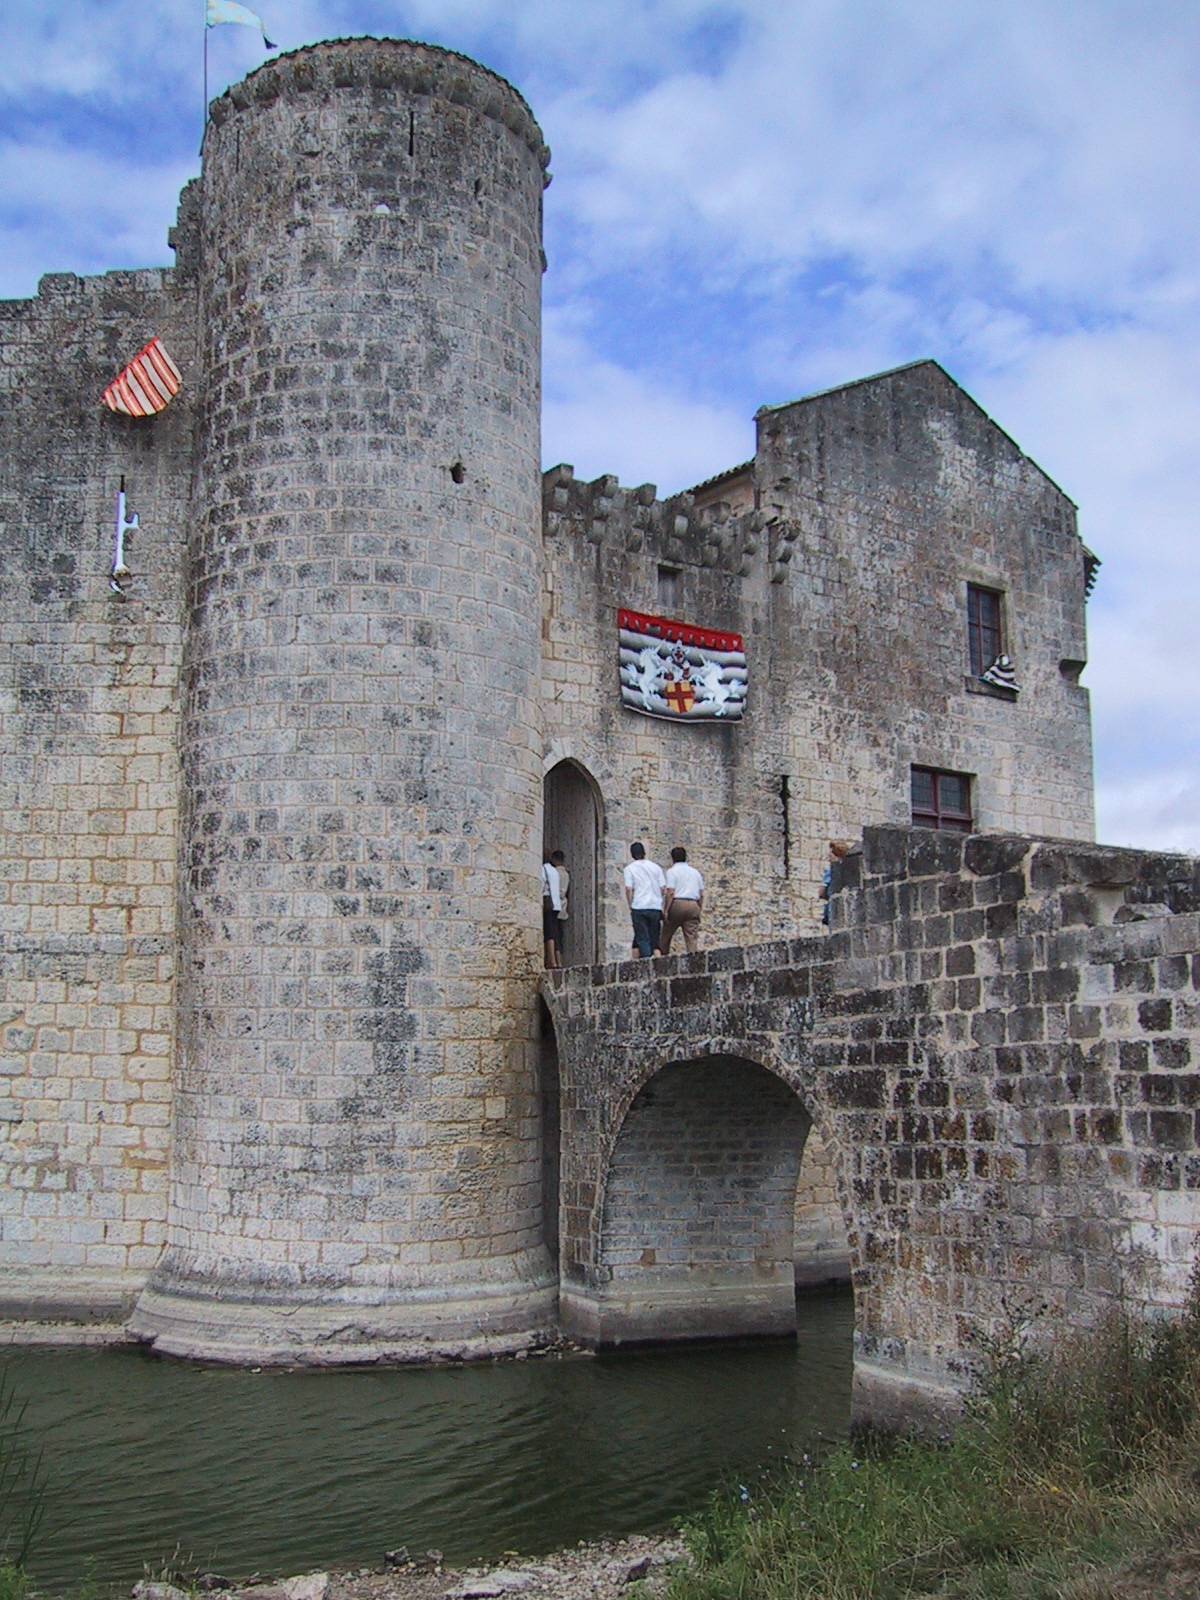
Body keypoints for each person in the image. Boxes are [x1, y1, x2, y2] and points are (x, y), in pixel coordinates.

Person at [623, 841, 666, 958]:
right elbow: (663, 889)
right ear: (644, 853)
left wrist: (630, 904)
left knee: (643, 939)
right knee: (654, 939)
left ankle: (647, 965)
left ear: (632, 854)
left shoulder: (629, 869)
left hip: (639, 906)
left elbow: (628, 888)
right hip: (655, 907)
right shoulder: (656, 867)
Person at [661, 845, 704, 955]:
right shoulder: (695, 872)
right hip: (693, 904)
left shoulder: (672, 871)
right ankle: (693, 963)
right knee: (691, 938)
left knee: (666, 935)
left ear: (672, 858)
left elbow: (670, 892)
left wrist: (666, 910)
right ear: (686, 857)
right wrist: (699, 908)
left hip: (678, 904)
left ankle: (662, 960)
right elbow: (701, 894)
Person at [820, 839, 852, 926]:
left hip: (833, 911)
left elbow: (821, 893)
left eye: (830, 854)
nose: (828, 857)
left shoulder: (831, 871)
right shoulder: (851, 870)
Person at [541, 851, 563, 968]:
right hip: (556, 904)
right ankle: (558, 961)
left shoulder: (544, 869)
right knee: (555, 933)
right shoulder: (555, 871)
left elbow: (541, 885)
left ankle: (551, 961)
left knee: (549, 933)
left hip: (548, 903)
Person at [550, 850, 570, 962]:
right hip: (563, 906)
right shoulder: (566, 874)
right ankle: (560, 959)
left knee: (553, 933)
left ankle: (555, 960)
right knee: (559, 934)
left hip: (554, 905)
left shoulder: (553, 873)